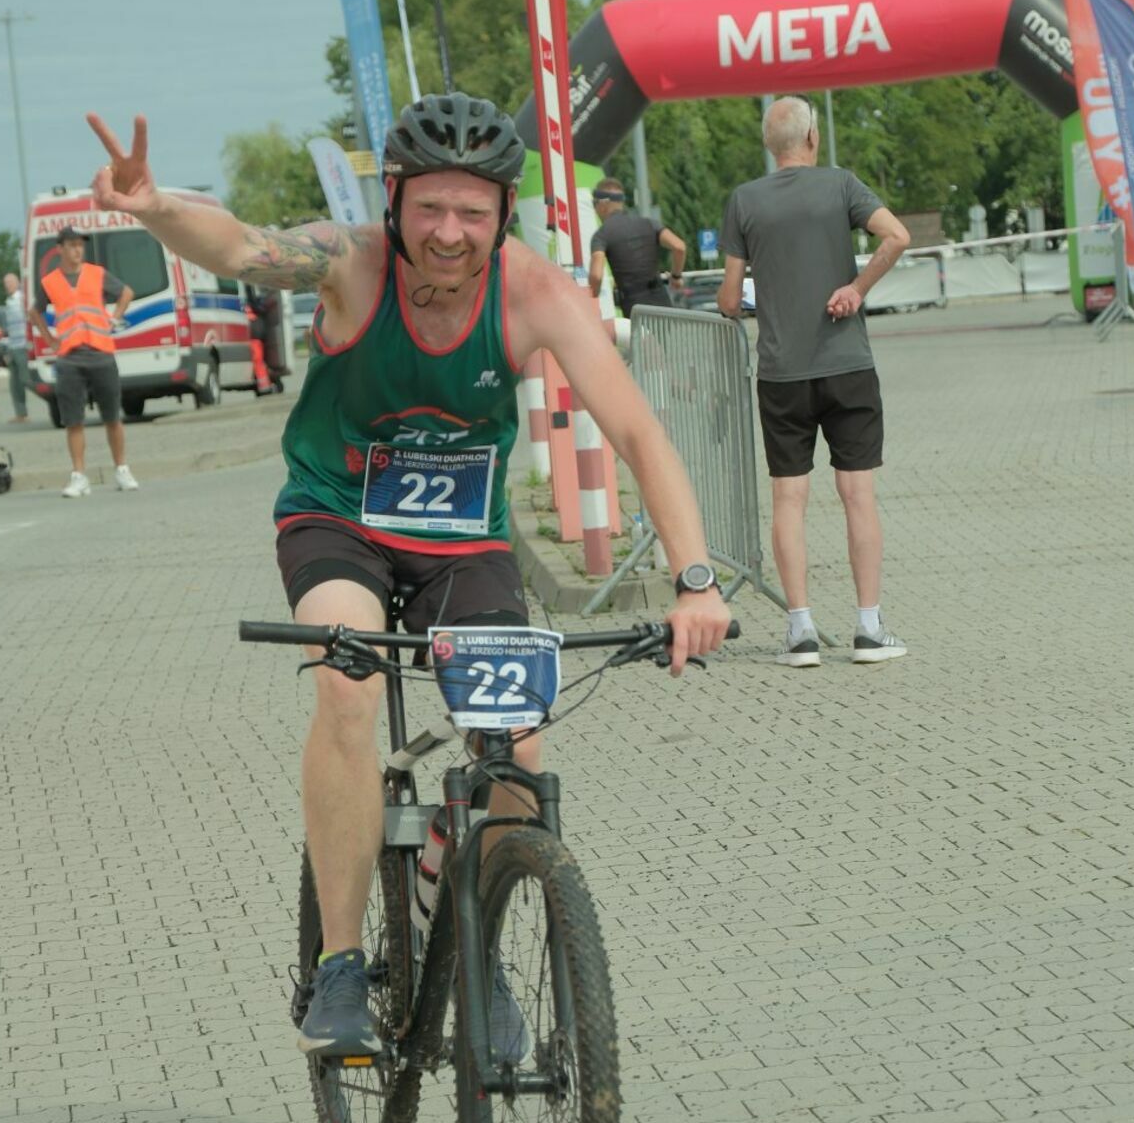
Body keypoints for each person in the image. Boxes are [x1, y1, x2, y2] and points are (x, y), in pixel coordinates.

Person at [87, 94, 730, 1059]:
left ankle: (477, 950)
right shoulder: (351, 266)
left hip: (464, 540)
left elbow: (638, 431)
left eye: (473, 211)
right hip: (338, 518)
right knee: (350, 680)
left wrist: (695, 578)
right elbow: (243, 249)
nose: (449, 232)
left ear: (502, 213)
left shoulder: (534, 294)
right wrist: (157, 209)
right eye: (430, 207)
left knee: (517, 744)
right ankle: (342, 965)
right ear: (394, 199)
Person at [717, 95, 911, 667]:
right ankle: (869, 630)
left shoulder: (744, 201)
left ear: (767, 146)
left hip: (781, 373)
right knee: (857, 495)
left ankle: (800, 632)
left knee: (788, 497)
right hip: (848, 364)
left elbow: (729, 298)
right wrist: (856, 289)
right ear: (813, 139)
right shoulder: (842, 185)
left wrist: (751, 300)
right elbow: (896, 236)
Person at [27, 229, 139, 497]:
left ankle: (122, 469)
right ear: (60, 250)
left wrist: (114, 318)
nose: (78, 250)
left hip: (101, 352)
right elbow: (34, 311)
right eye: (72, 245)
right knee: (73, 420)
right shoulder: (50, 282)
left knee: (112, 416)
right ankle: (79, 476)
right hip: (69, 358)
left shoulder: (96, 274)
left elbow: (126, 292)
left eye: (80, 245)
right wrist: (49, 338)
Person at [587, 181, 686, 316]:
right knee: (665, 337)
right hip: (661, 301)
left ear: (603, 203)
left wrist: (592, 300)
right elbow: (679, 247)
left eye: (595, 204)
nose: (595, 209)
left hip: (634, 305)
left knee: (643, 338)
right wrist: (676, 276)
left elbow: (596, 276)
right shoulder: (649, 223)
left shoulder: (601, 235)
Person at [0, 272, 30, 423]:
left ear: (17, 283)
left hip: (24, 345)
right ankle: (21, 413)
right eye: (5, 283)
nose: (7, 285)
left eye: (9, 282)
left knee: (27, 379)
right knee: (15, 382)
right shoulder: (9, 302)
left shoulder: (22, 299)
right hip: (13, 345)